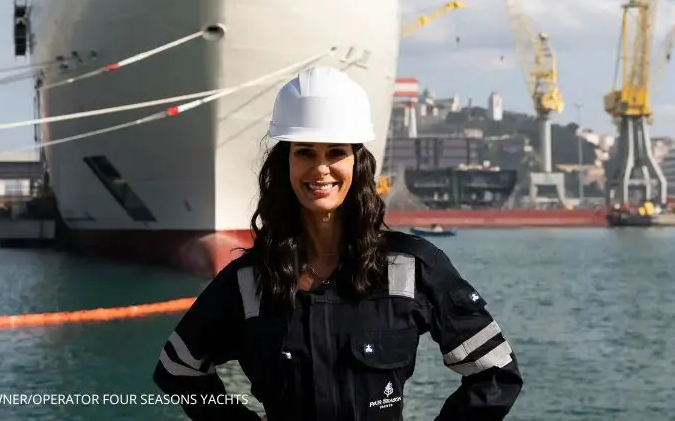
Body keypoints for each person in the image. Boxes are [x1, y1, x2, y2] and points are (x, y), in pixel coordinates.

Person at [152, 65, 523, 420]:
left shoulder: (411, 266)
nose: (321, 168)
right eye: (305, 152)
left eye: (335, 152)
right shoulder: (251, 280)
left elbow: (495, 372)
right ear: (286, 164)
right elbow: (177, 370)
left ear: (357, 163)